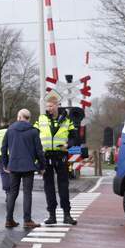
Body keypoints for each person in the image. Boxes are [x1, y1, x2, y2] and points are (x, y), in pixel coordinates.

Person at [35, 94, 76, 225]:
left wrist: (68, 145)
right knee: (49, 187)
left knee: (63, 185)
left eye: (51, 106)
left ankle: (67, 215)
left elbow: (75, 137)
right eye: (47, 106)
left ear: (57, 105)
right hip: (46, 156)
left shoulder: (67, 120)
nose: (49, 108)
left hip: (61, 155)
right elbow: (34, 136)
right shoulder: (41, 119)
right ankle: (52, 215)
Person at [2, 108, 44, 229]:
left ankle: (9, 220)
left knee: (12, 193)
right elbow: (39, 151)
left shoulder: (10, 130)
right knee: (27, 193)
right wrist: (42, 166)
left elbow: (3, 149)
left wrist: (5, 165)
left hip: (13, 166)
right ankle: (27, 220)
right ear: (28, 118)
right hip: (28, 167)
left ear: (19, 117)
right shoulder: (33, 131)